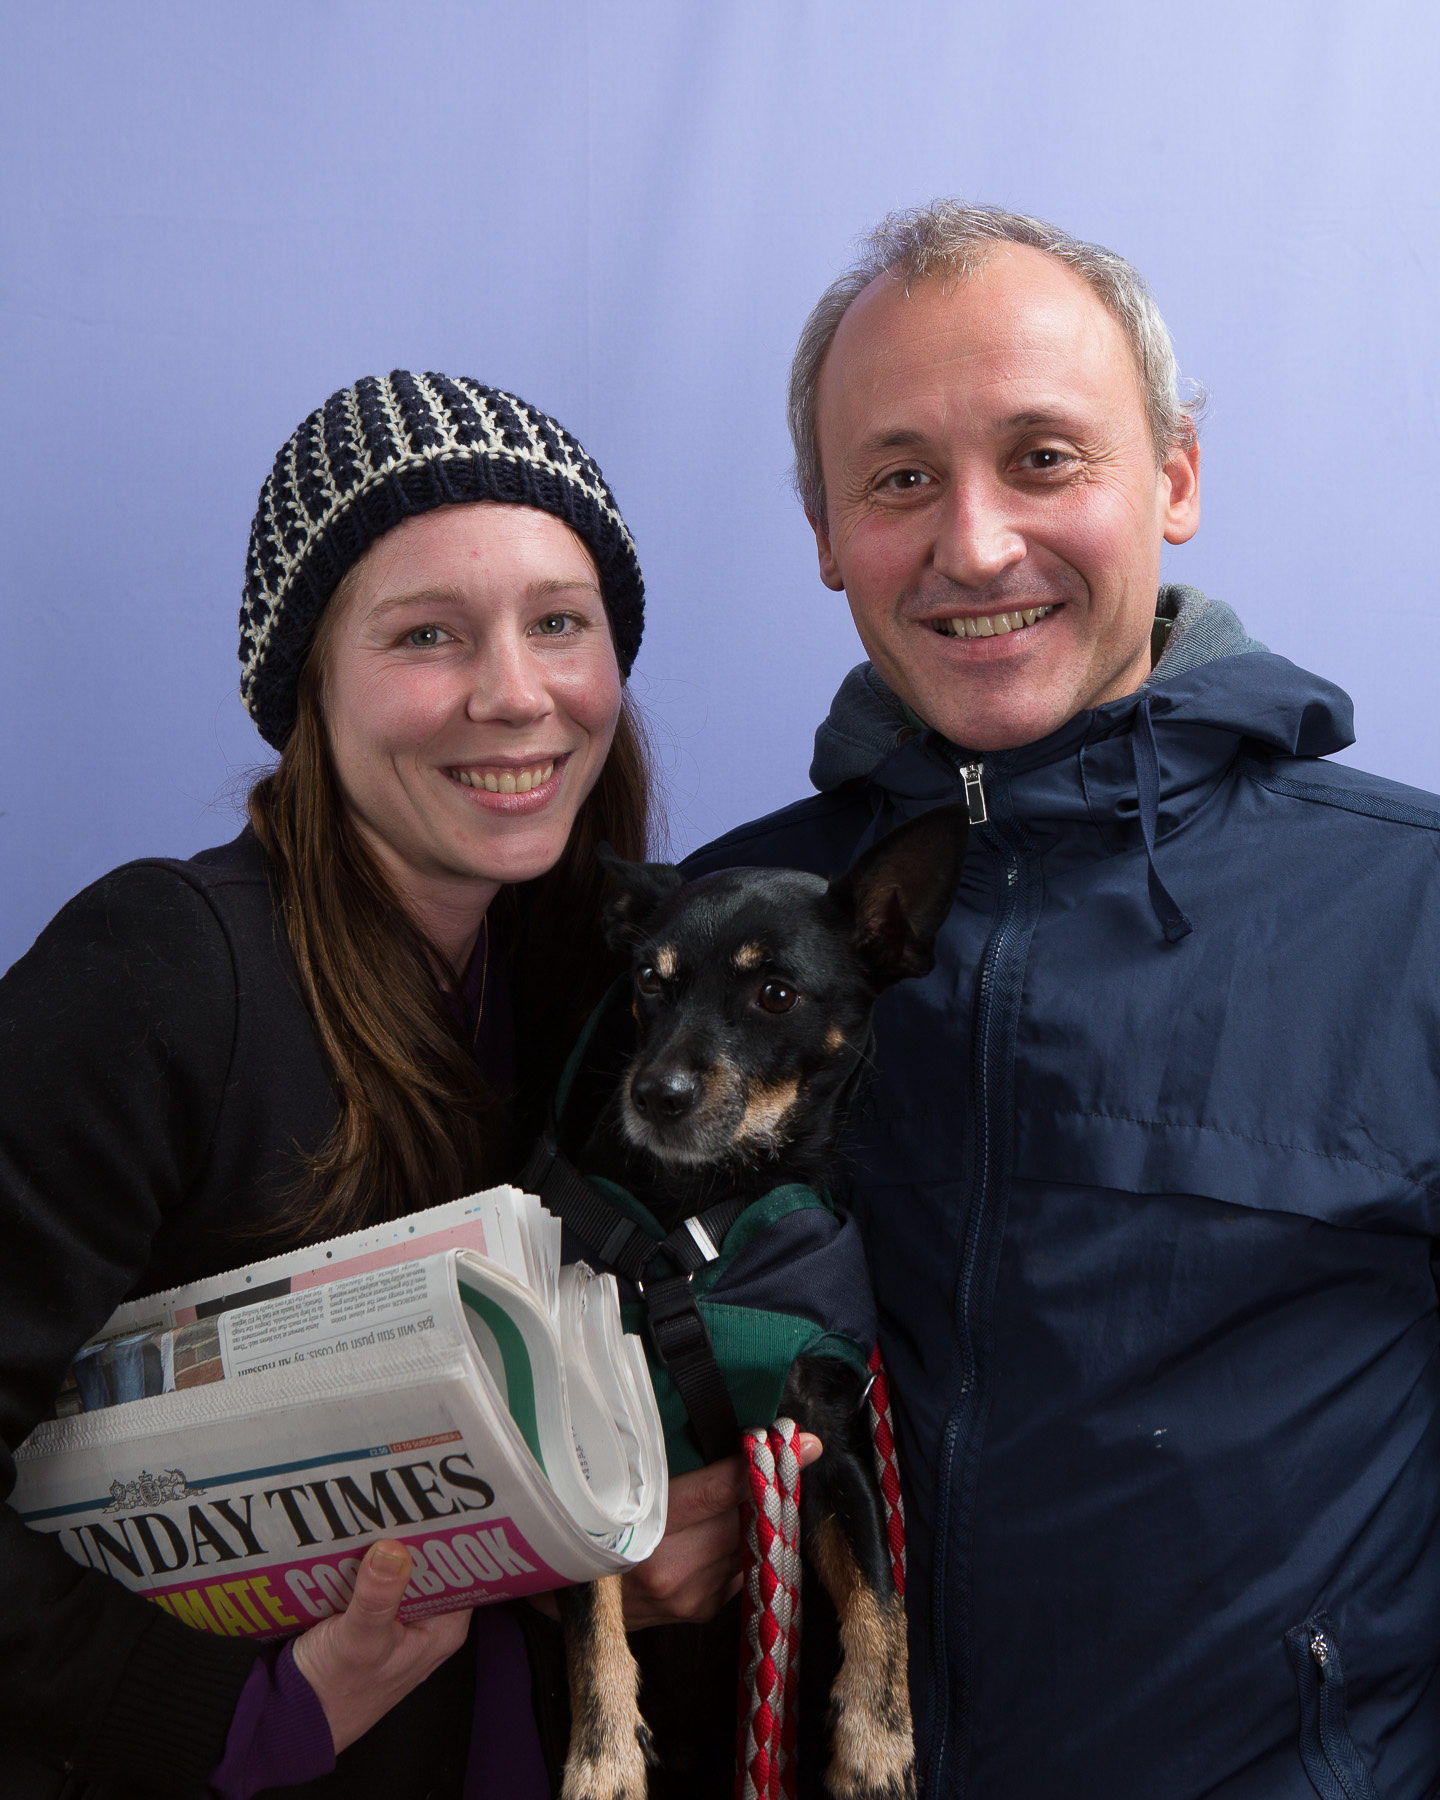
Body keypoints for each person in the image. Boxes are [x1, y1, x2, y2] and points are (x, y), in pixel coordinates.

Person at [685, 203, 1440, 1797]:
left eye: (1043, 458)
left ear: (1171, 477)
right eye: (899, 477)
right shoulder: (725, 936)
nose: (973, 543)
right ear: (824, 527)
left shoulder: (1408, 913)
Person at [0, 372, 752, 1800]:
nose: (515, 693)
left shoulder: (607, 1008)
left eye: (559, 624)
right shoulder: (164, 972)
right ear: (310, 686)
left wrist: (599, 1543)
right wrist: (236, 1714)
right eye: (426, 635)